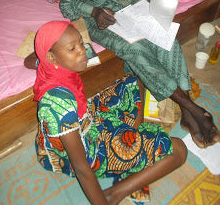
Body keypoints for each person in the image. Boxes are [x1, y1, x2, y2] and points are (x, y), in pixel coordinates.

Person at [60, 0, 219, 148]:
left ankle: (186, 109)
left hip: (130, 5)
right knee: (137, 49)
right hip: (99, 16)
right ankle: (191, 109)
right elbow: (69, 5)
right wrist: (94, 11)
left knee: (166, 35)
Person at [28, 20, 187, 205]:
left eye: (81, 43)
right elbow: (81, 166)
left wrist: (46, 50)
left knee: (135, 81)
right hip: (86, 152)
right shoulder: (59, 105)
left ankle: (132, 137)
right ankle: (113, 194)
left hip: (85, 119)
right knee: (178, 150)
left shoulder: (49, 68)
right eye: (72, 49)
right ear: (53, 58)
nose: (83, 51)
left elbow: (30, 60)